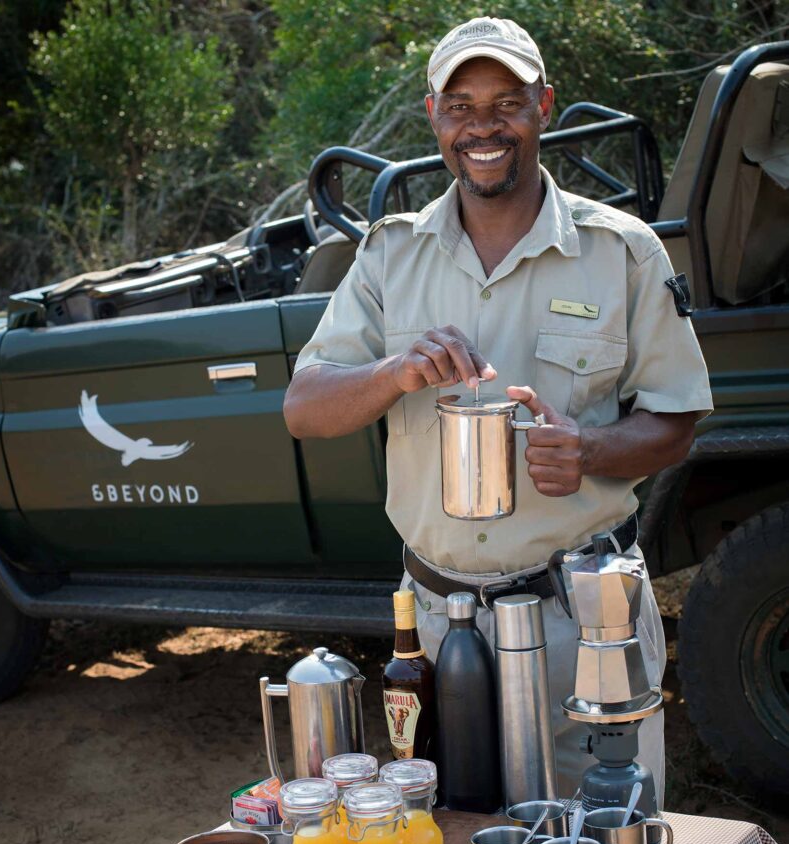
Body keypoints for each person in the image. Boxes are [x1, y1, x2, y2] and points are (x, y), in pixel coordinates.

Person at [283, 17, 713, 800]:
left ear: (543, 106)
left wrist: (588, 449)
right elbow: (304, 409)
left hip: (580, 616)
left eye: (505, 102)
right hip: (439, 629)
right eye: (460, 104)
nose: (482, 126)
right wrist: (391, 372)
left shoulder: (621, 250)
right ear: (433, 117)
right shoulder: (389, 254)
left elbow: (676, 421)